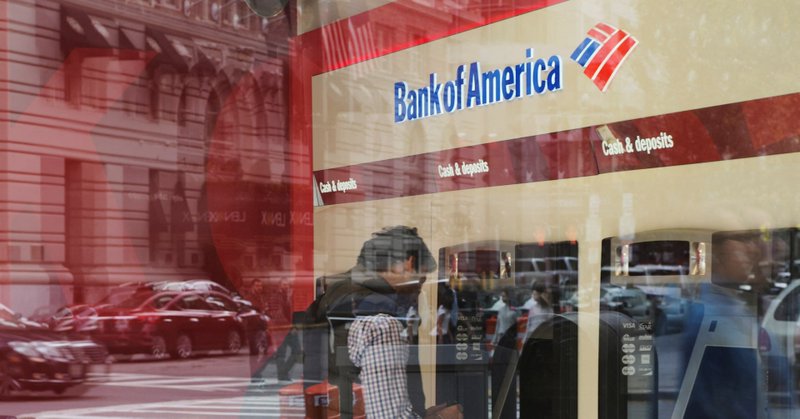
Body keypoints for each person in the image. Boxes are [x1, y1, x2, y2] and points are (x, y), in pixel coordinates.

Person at [303, 226, 440, 418]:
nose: (419, 287)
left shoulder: (334, 295)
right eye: (422, 277)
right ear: (409, 263)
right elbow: (389, 415)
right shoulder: (381, 320)